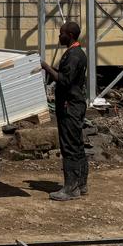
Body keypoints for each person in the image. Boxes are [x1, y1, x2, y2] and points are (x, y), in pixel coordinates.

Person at [41, 20, 89, 201]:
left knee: (69, 146)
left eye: (61, 33)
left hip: (70, 107)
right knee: (77, 144)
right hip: (75, 104)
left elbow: (64, 80)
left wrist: (46, 67)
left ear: (69, 35)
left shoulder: (74, 55)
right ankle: (81, 184)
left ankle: (71, 188)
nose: (58, 36)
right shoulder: (75, 53)